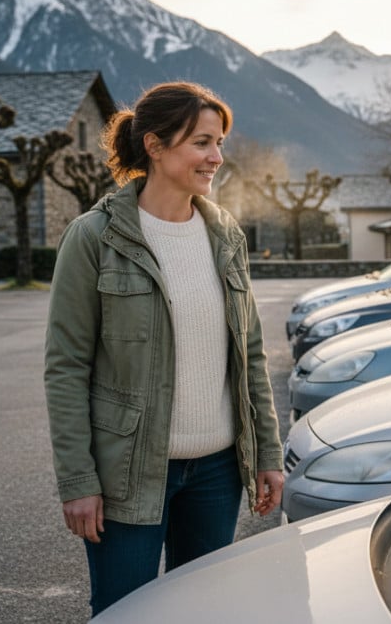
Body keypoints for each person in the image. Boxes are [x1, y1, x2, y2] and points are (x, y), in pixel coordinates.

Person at [43, 81, 284, 617]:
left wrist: (267, 453)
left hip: (218, 474)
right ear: (154, 146)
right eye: (201, 143)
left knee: (202, 611)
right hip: (127, 473)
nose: (216, 158)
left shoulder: (226, 237)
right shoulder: (93, 237)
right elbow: (66, 369)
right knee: (123, 611)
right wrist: (78, 481)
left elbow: (251, 354)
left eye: (219, 143)